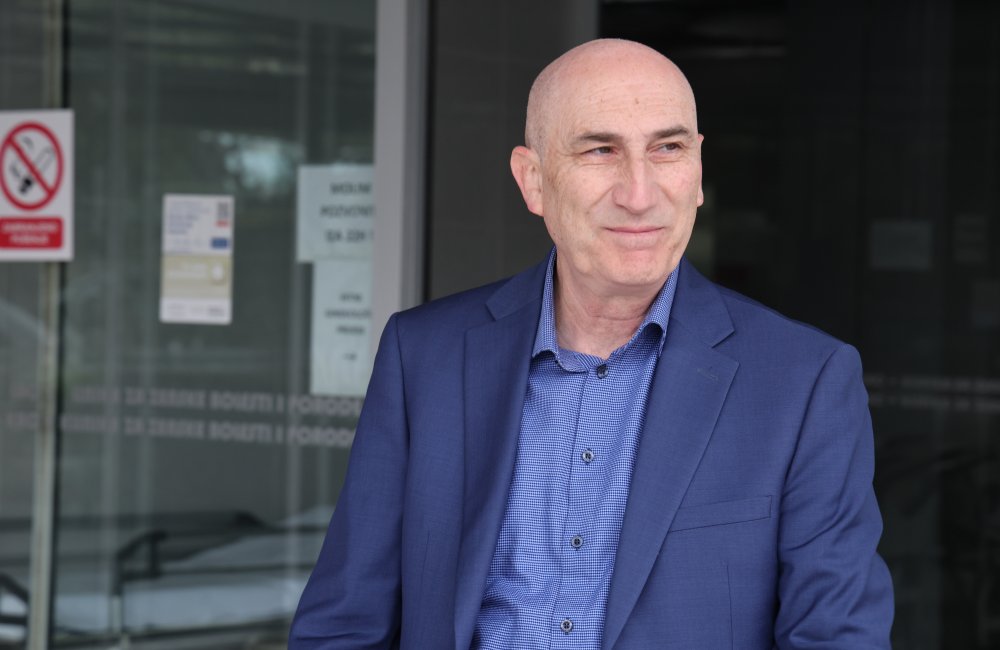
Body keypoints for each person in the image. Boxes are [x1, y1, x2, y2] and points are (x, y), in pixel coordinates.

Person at [289, 38, 894, 649]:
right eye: (600, 150)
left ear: (698, 171)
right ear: (533, 181)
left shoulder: (803, 382)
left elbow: (838, 638)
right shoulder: (424, 357)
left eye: (668, 148)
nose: (639, 193)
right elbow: (344, 626)